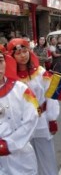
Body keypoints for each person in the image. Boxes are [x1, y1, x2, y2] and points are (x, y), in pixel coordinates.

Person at [7, 38, 60, 175]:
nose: (23, 55)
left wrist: (52, 119)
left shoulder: (41, 72)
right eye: (18, 53)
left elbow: (51, 95)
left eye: (25, 51)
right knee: (25, 160)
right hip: (21, 125)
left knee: (47, 158)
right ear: (11, 57)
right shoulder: (9, 79)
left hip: (41, 119)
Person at [0, 44, 39, 174]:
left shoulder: (21, 89)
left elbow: (31, 118)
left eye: (0, 61)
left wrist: (8, 144)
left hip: (21, 160)